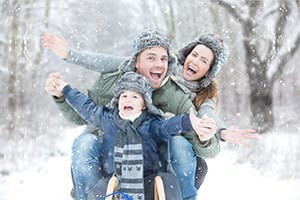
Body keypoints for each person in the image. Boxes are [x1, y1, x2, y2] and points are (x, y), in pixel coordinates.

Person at [42, 30, 257, 199]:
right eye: (195, 55)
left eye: (204, 61)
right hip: (113, 150)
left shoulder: (179, 94)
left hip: (156, 157)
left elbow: (200, 116)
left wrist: (220, 132)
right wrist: (64, 84)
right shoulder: (124, 78)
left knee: (184, 148)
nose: (196, 62)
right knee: (84, 143)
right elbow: (88, 107)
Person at [46, 71, 210, 200]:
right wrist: (66, 89)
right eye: (124, 96)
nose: (128, 100)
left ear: (144, 104)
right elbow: (85, 106)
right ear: (117, 101)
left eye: (134, 97)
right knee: (97, 191)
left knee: (168, 183)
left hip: (147, 182)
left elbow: (169, 126)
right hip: (114, 181)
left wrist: (189, 121)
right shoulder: (107, 119)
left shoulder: (151, 124)